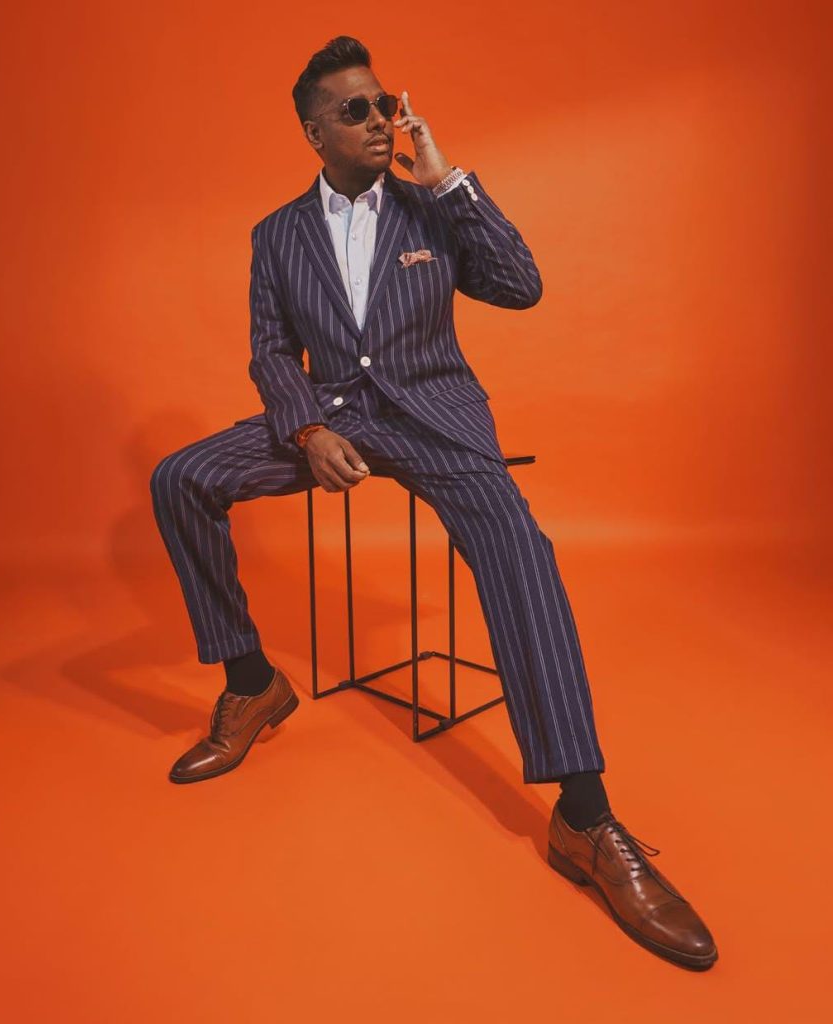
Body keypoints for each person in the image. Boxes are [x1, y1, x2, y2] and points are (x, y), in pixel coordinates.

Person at [149, 35, 717, 970]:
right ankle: (251, 685)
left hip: (435, 419)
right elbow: (269, 352)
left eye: (384, 103)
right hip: (331, 415)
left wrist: (448, 179)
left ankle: (585, 821)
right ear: (314, 133)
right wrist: (305, 430)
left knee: (522, 553)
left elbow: (521, 287)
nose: (381, 120)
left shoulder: (429, 206)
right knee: (180, 477)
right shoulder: (275, 234)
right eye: (356, 111)